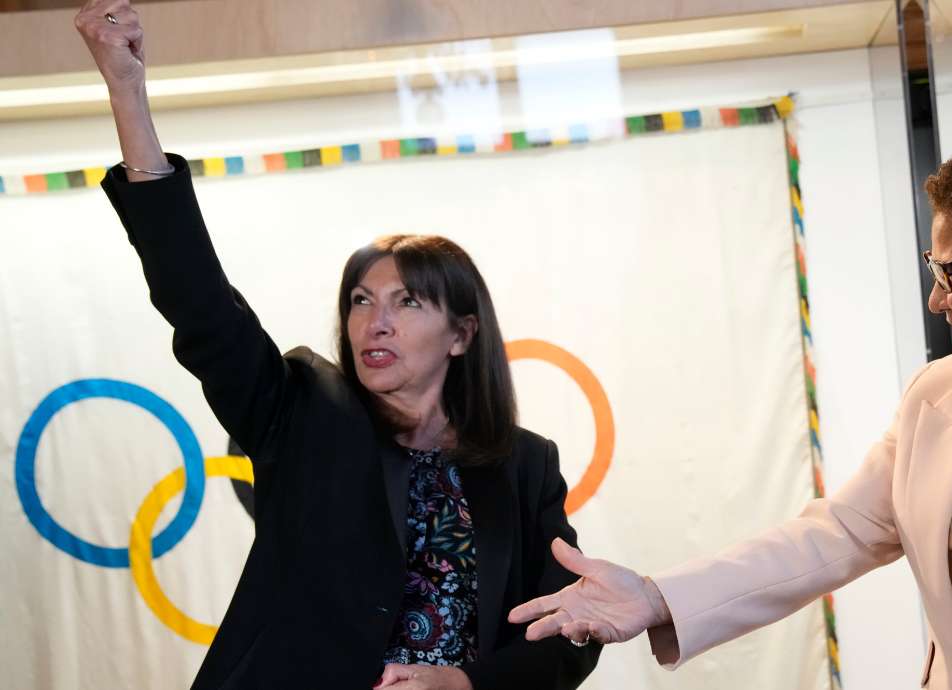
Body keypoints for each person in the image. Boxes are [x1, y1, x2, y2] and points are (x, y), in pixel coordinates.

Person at [510, 129, 952, 689]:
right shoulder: (937, 395)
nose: (937, 300)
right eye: (932, 271)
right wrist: (659, 597)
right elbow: (836, 535)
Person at [74, 2, 600, 688]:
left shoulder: (525, 465)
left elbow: (570, 631)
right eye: (360, 300)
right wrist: (127, 91)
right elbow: (198, 302)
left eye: (407, 301)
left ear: (463, 334)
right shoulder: (302, 412)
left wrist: (468, 684)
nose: (373, 323)